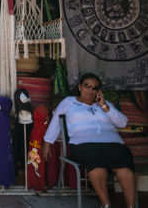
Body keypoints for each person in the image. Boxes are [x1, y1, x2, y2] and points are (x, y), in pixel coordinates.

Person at [42, 73, 136, 208]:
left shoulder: (105, 104)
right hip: (83, 144)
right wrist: (47, 143)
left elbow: (122, 123)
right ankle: (106, 204)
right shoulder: (69, 102)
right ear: (80, 86)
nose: (90, 90)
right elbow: (56, 121)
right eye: (87, 86)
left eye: (95, 87)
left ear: (99, 91)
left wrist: (104, 106)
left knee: (124, 162)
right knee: (95, 161)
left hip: (112, 142)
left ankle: (131, 206)